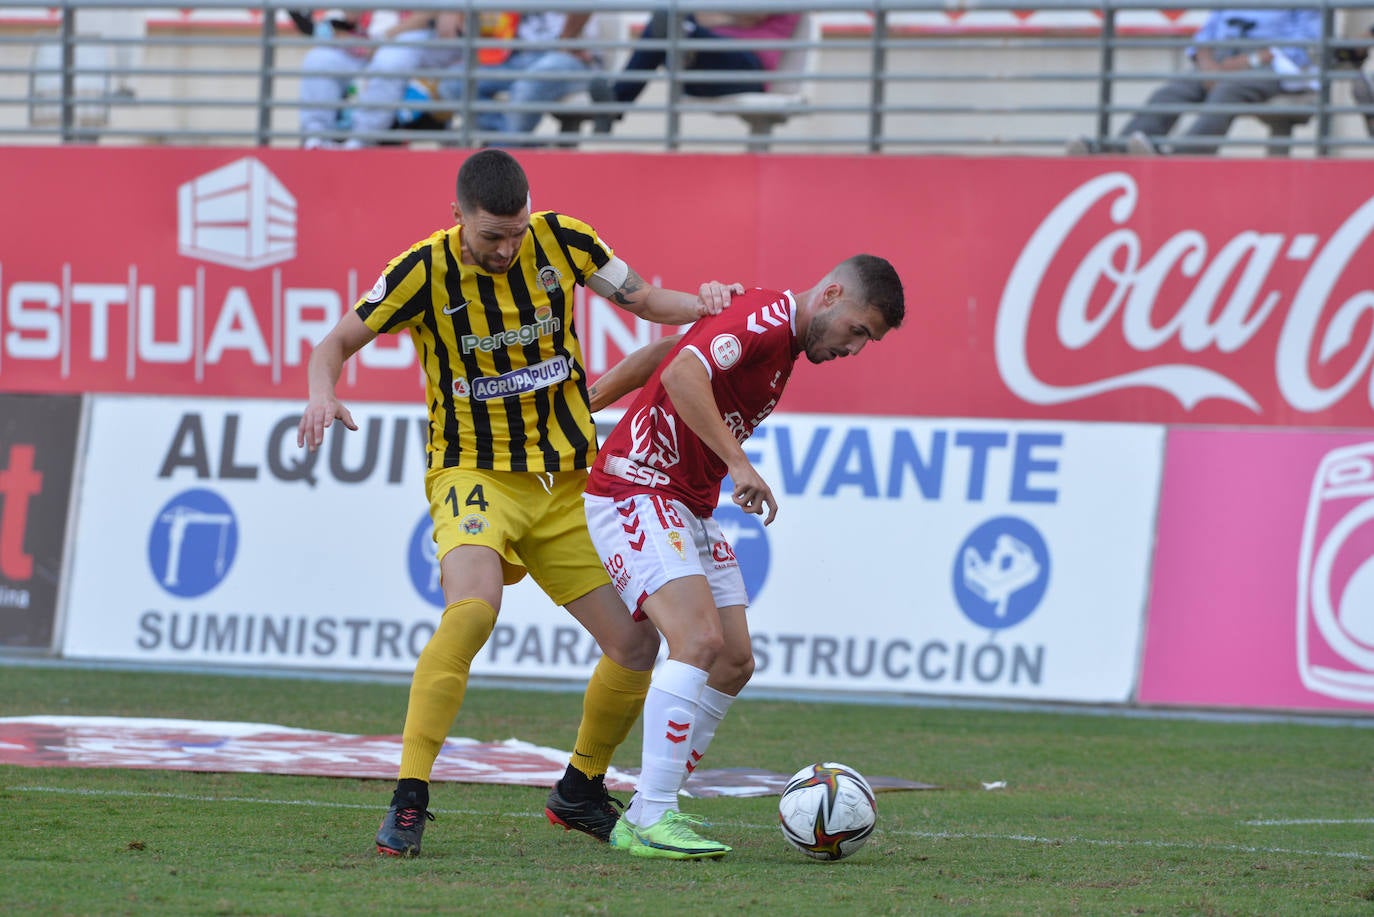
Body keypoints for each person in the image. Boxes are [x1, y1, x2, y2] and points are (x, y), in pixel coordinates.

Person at [295, 149, 740, 857]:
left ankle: (579, 788)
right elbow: (335, 341)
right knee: (473, 609)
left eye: (516, 232)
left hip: (567, 485)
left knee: (635, 641)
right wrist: (324, 389)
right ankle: (410, 795)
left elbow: (645, 299)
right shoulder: (422, 270)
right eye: (490, 236)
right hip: (474, 474)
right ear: (457, 219)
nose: (506, 248)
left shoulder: (565, 240)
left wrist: (715, 306)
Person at [576, 254, 905, 858]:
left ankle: (649, 806)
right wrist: (739, 463)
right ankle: (652, 812)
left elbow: (667, 355)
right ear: (830, 293)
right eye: (858, 330)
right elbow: (681, 376)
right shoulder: (764, 315)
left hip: (688, 504)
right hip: (638, 485)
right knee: (696, 642)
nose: (855, 348)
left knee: (732, 661)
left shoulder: (775, 342)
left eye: (868, 342)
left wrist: (589, 402)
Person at [1067, 8, 1322, 156]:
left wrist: (1246, 62)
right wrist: (1208, 64)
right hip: (1220, 60)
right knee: (1173, 91)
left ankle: (1184, 158)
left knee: (1228, 90)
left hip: (1271, 66)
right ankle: (1118, 152)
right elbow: (1205, 35)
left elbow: (1304, 45)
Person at [440, 12, 606, 144]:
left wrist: (566, 40)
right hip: (515, 54)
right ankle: (515, 145)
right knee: (452, 83)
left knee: (525, 88)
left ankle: (503, 153)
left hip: (571, 55)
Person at [609, 11, 801, 106]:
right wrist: (730, 17)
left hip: (749, 69)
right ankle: (612, 105)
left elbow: (752, 13)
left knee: (672, 23)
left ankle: (615, 103)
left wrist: (720, 14)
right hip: (713, 63)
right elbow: (701, 13)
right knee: (667, 19)